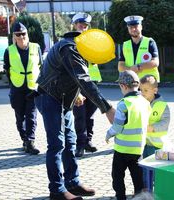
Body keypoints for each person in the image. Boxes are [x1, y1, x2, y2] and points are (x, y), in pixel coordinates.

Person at [34, 30, 115, 199]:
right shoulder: (70, 49)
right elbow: (84, 79)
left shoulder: (76, 47)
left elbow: (68, 74)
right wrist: (106, 108)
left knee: (70, 142)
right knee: (56, 145)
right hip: (49, 99)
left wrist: (76, 94)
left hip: (62, 100)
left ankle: (73, 183)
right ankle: (57, 190)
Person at [106, 70, 151, 200]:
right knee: (137, 178)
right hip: (137, 149)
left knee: (118, 176)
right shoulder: (145, 102)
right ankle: (140, 197)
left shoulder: (123, 104)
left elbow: (117, 127)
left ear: (123, 86)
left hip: (122, 149)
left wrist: (108, 134)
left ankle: (120, 197)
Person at [3, 21, 42, 155]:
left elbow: (41, 67)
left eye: (23, 34)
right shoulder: (9, 50)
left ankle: (30, 141)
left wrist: (40, 85)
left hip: (32, 86)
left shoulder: (35, 47)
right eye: (18, 34)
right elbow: (7, 69)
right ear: (14, 36)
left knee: (31, 115)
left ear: (27, 34)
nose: (21, 37)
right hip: (17, 87)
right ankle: (24, 139)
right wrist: (13, 82)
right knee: (20, 116)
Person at [71, 13, 103, 157]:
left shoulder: (92, 42)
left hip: (93, 82)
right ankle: (80, 145)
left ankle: (88, 141)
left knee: (90, 115)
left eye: (85, 26)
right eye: (80, 25)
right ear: (74, 25)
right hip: (77, 84)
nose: (83, 28)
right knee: (79, 115)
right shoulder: (70, 42)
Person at [139, 75, 170, 188]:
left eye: (146, 90)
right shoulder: (141, 102)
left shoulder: (162, 105)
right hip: (144, 144)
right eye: (141, 90)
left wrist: (152, 127)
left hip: (157, 145)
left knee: (155, 170)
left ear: (155, 90)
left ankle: (157, 191)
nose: (142, 93)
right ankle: (146, 190)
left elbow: (165, 123)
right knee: (144, 169)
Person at [118, 15, 160, 82]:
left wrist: (138, 67)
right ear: (128, 29)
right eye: (130, 27)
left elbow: (155, 62)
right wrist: (131, 69)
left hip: (148, 83)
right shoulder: (125, 45)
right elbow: (120, 66)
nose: (133, 29)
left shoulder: (150, 42)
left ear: (141, 27)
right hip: (131, 83)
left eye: (135, 26)